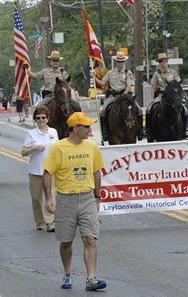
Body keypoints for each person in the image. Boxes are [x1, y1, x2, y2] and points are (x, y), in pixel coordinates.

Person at [42, 112, 107, 291]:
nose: (89, 130)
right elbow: (47, 173)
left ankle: (91, 279)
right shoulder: (58, 148)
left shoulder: (92, 147)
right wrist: (49, 197)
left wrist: (97, 196)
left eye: (89, 126)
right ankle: (67, 273)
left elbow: (96, 172)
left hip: (86, 197)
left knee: (90, 239)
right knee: (66, 242)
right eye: (85, 126)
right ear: (75, 128)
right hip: (65, 199)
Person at [22, 106, 58, 232]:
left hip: (50, 170)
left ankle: (51, 222)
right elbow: (23, 152)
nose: (41, 120)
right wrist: (34, 148)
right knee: (37, 197)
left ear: (47, 119)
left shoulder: (53, 132)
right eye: (38, 118)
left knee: (50, 195)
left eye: (43, 117)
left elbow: (58, 149)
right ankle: (40, 220)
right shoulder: (31, 134)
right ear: (35, 120)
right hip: (35, 170)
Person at [97, 51, 139, 142]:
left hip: (125, 96)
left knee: (138, 109)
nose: (120, 63)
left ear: (124, 62)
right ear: (116, 62)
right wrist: (94, 77)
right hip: (113, 96)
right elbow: (102, 83)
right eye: (119, 61)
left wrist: (124, 95)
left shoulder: (129, 73)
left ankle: (140, 131)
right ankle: (105, 132)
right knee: (103, 111)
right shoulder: (110, 73)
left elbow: (129, 86)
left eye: (122, 61)